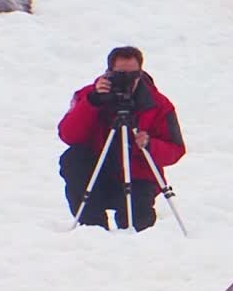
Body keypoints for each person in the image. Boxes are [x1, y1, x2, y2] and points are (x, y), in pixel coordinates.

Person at [58, 46, 186, 231]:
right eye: (120, 75)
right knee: (73, 158)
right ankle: (93, 232)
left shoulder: (158, 104)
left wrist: (150, 145)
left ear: (141, 73)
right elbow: (68, 135)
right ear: (108, 72)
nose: (126, 81)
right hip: (98, 173)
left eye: (132, 75)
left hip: (139, 176)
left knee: (139, 226)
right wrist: (93, 102)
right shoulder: (89, 95)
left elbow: (176, 150)